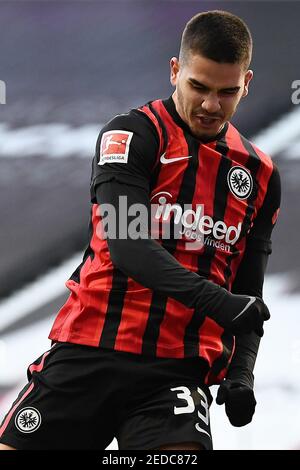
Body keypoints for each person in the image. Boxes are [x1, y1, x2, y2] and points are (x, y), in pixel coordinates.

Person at [0, 10, 280, 451]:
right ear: (175, 71)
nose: (211, 105)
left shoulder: (261, 174)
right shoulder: (132, 135)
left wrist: (242, 371)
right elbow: (129, 246)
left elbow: (248, 293)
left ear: (247, 83)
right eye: (199, 87)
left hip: (176, 374)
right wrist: (220, 303)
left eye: (227, 92)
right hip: (91, 350)